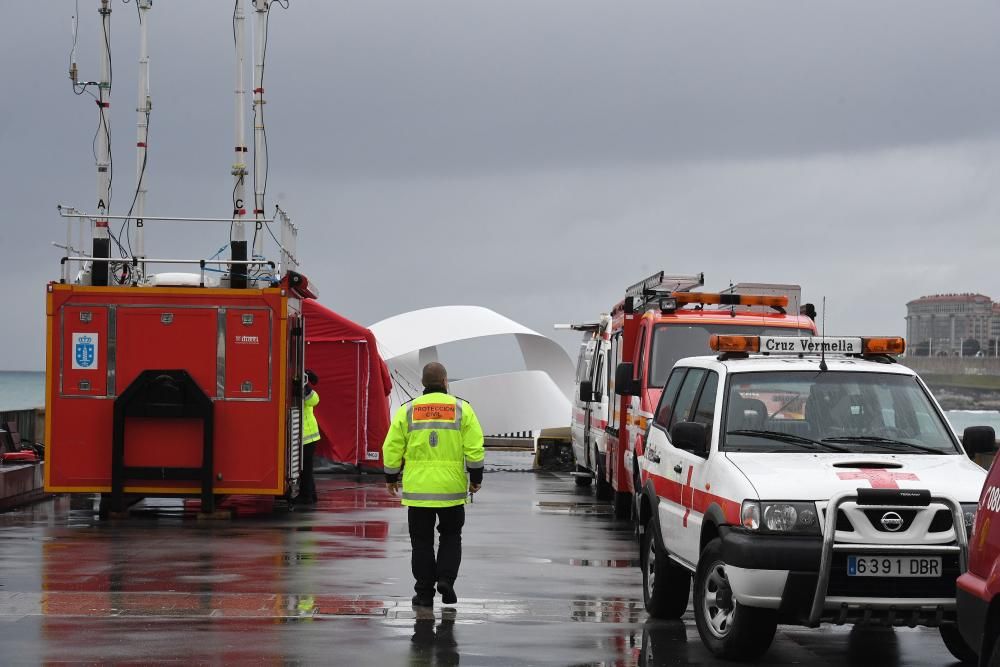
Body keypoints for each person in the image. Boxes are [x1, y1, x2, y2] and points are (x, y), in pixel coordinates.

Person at [382, 362, 485, 607]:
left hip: (418, 492)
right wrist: (476, 478)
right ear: (446, 381)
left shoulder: (408, 410)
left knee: (421, 542)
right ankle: (446, 579)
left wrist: (391, 477)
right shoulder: (462, 409)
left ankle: (424, 592)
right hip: (451, 490)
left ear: (423, 384)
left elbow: (392, 446)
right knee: (451, 536)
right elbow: (474, 447)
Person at [295, 369, 321, 505]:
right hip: (306, 436)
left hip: (307, 437)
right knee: (306, 468)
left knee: (305, 468)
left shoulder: (308, 393)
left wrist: (305, 386)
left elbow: (314, 400)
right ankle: (311, 494)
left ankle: (306, 496)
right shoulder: (305, 391)